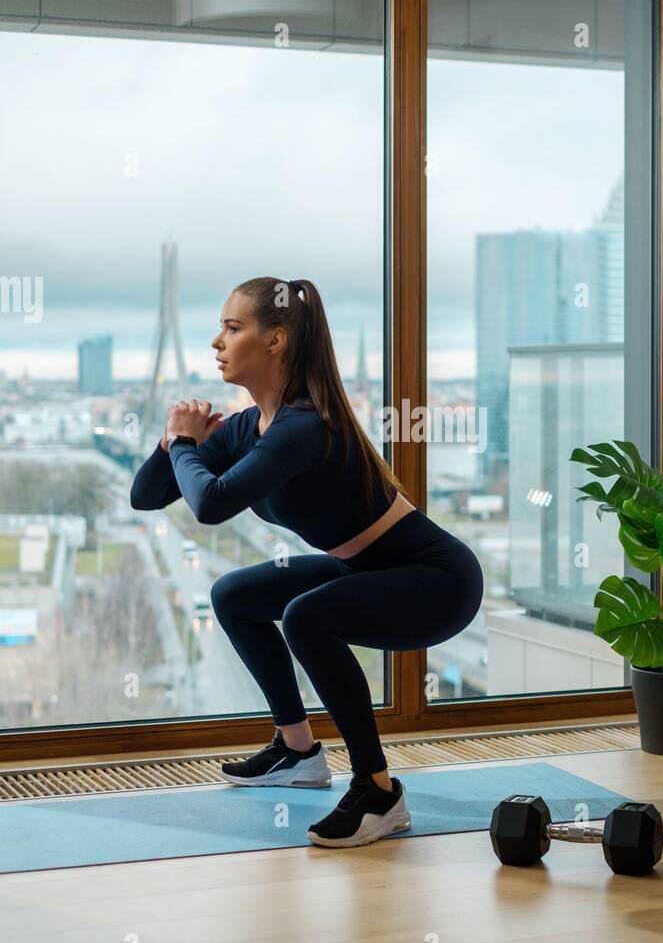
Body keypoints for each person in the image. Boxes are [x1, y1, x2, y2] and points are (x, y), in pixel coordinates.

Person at [130, 276, 484, 848]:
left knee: (304, 616)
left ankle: (379, 792)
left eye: (232, 327)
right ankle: (298, 752)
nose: (217, 341)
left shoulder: (304, 426)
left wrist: (188, 446)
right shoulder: (250, 426)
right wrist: (173, 442)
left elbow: (212, 505)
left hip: (437, 581)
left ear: (274, 341)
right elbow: (146, 497)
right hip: (362, 569)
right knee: (234, 596)